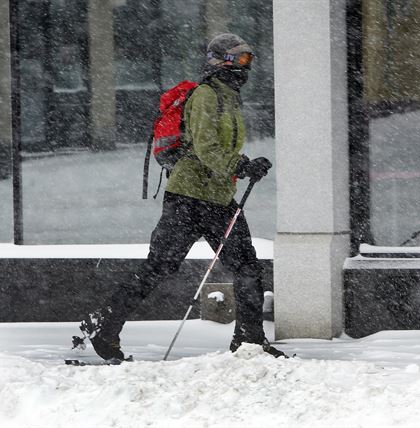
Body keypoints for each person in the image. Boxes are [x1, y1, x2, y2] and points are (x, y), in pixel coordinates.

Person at [75, 33, 285, 360]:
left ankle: (250, 343)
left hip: (217, 196)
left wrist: (243, 165)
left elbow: (219, 147)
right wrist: (241, 165)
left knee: (247, 268)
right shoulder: (205, 95)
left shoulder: (229, 97)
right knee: (160, 266)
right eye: (241, 60)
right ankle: (106, 325)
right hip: (188, 198)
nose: (246, 67)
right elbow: (205, 147)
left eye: (249, 60)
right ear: (223, 61)